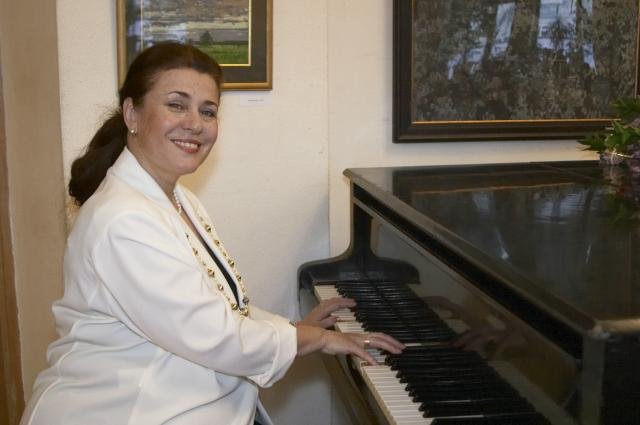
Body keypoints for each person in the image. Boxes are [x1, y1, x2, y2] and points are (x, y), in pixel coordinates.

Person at [19, 42, 404, 425]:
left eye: (208, 111)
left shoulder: (178, 198)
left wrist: (293, 329)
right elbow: (214, 335)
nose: (195, 123)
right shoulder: (122, 219)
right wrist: (314, 339)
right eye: (176, 105)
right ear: (132, 113)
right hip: (127, 410)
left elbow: (215, 305)